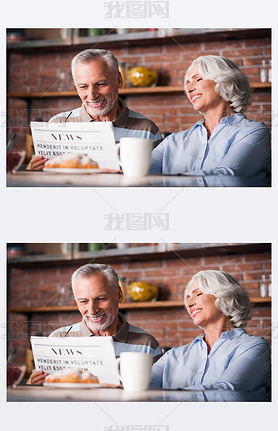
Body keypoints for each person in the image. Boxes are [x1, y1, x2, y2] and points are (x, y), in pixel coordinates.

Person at [27, 49, 162, 170]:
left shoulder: (147, 130)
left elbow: (156, 183)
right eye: (83, 86)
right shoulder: (58, 124)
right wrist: (32, 171)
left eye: (101, 84)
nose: (92, 95)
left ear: (119, 81)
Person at [27, 263, 162, 385]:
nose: (92, 310)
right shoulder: (58, 339)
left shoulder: (147, 345)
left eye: (101, 299)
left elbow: (156, 398)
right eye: (83, 301)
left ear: (119, 295)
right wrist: (32, 385)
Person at [150, 55, 270, 177]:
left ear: (224, 82)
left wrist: (164, 182)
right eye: (187, 84)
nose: (189, 89)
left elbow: (227, 177)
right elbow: (137, 175)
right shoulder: (172, 141)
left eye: (198, 79)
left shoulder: (253, 132)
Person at [151, 270, 270, 391]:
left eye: (198, 294)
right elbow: (137, 388)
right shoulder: (172, 356)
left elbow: (228, 391)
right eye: (187, 298)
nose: (189, 303)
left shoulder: (253, 346)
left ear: (224, 297)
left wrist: (170, 396)